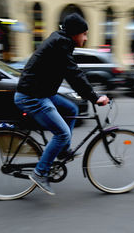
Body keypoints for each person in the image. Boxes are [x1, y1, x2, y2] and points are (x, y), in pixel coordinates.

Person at [14, 13, 109, 195]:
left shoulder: (61, 41)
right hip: (31, 96)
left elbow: (68, 72)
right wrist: (94, 96)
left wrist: (89, 93)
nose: (86, 38)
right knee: (63, 133)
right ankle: (40, 173)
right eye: (84, 33)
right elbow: (74, 74)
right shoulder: (61, 44)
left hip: (40, 93)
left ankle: (63, 151)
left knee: (71, 108)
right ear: (75, 33)